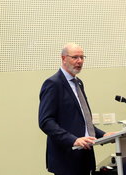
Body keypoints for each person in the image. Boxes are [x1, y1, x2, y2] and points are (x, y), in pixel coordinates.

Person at [39, 43, 109, 175]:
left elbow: (82, 120)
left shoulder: (78, 83)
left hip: (85, 156)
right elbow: (46, 122)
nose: (80, 61)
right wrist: (73, 140)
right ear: (63, 58)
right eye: (75, 57)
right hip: (66, 158)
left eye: (82, 57)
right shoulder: (53, 84)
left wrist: (103, 135)